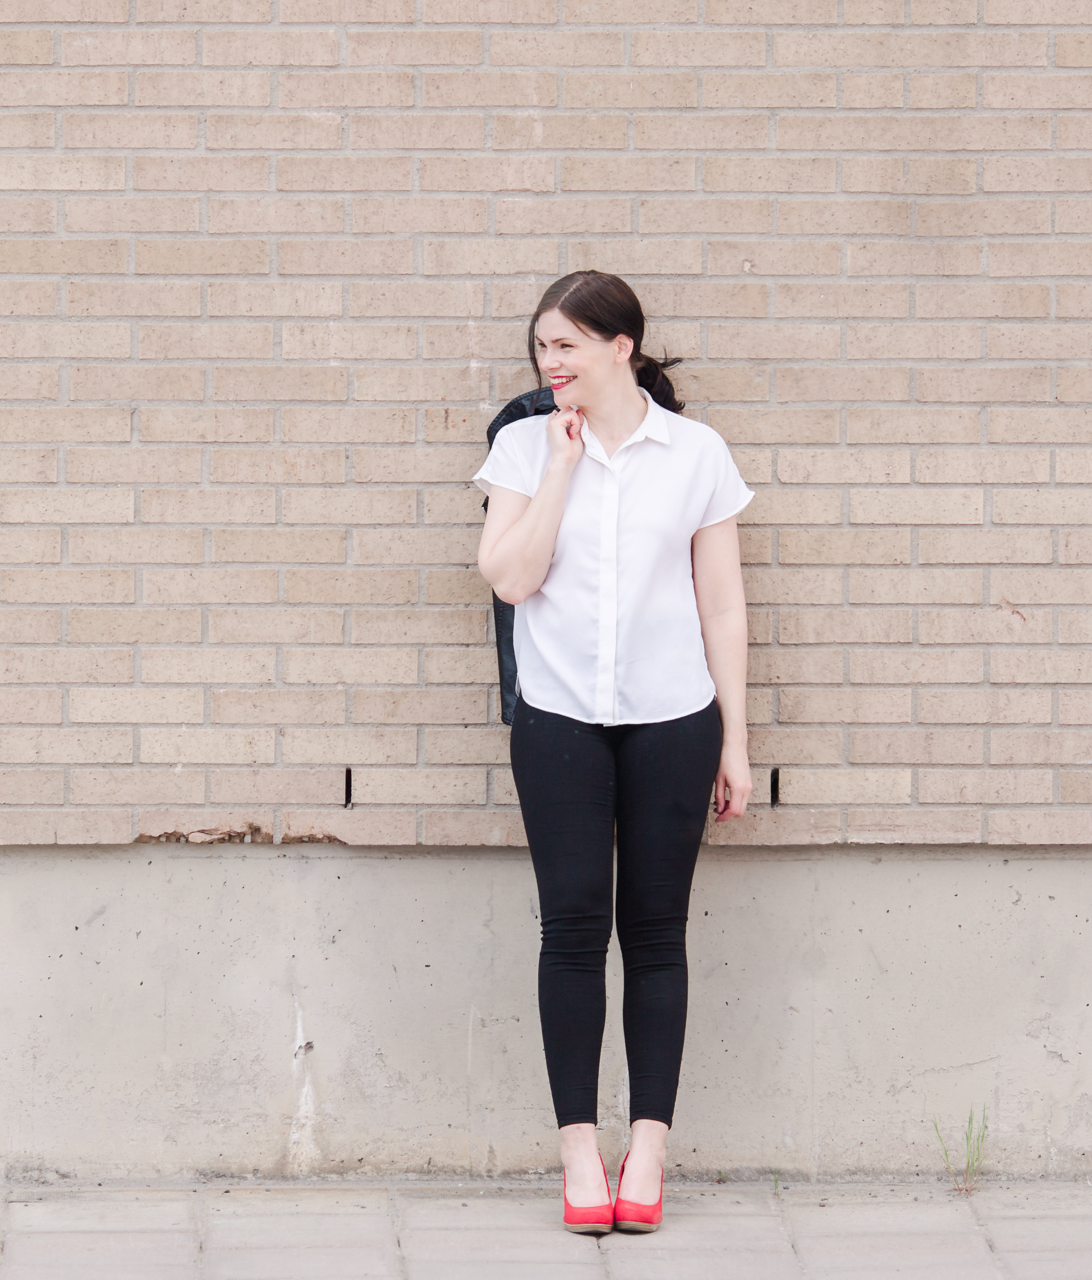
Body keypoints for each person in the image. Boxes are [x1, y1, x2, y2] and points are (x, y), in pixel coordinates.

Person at [471, 271, 754, 1236]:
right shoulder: (521, 446)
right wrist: (559, 468)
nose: (551, 363)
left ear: (621, 347)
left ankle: (650, 1151)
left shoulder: (697, 455)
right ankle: (580, 1152)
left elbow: (722, 603)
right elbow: (510, 579)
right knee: (571, 931)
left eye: (567, 346)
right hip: (559, 720)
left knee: (659, 936)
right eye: (542, 348)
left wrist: (737, 742)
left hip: (675, 717)